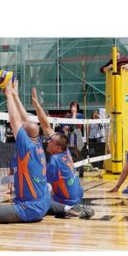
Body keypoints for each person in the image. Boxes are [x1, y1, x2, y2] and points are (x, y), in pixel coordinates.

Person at [0, 80, 52, 224]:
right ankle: (63, 208)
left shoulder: (26, 145)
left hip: (30, 208)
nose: (22, 123)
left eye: (23, 126)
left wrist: (8, 95)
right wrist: (15, 95)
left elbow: (14, 119)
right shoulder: (37, 142)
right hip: (45, 200)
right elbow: (25, 117)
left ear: (25, 133)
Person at [31, 87, 93, 218]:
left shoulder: (54, 161)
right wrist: (36, 105)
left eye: (50, 142)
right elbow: (46, 127)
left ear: (57, 147)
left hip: (68, 200)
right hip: (78, 193)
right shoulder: (65, 151)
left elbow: (43, 185)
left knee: (37, 201)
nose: (48, 141)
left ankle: (70, 209)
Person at [64, 101, 85, 177]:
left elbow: (79, 126)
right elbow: (65, 126)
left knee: (78, 153)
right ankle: (71, 170)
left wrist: (74, 114)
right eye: (72, 106)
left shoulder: (80, 115)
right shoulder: (67, 116)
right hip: (69, 135)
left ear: (77, 108)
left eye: (75, 106)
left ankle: (81, 170)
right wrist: (66, 127)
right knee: (69, 153)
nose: (73, 108)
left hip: (77, 134)